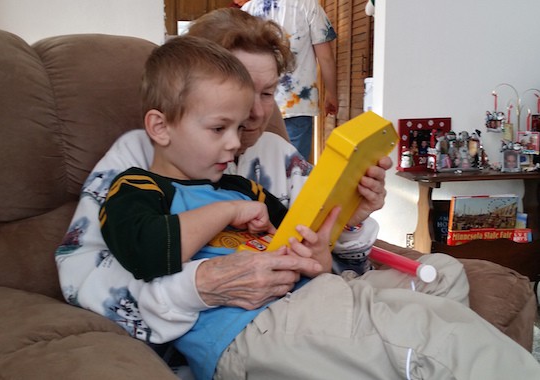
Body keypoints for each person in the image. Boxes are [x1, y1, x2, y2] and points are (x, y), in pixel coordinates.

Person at [100, 35, 540, 380]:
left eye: (238, 125)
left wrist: (339, 228)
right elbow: (146, 250)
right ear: (160, 127)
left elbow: (303, 239)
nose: (236, 141)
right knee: (441, 340)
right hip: (252, 329)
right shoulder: (137, 187)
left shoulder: (240, 186)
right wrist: (226, 214)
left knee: (443, 275)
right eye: (220, 127)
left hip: (319, 297)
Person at [55, 8, 388, 347]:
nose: (256, 114)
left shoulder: (279, 154)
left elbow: (326, 261)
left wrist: (349, 218)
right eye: (242, 88)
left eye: (267, 92)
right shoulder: (137, 158)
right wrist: (198, 286)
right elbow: (78, 272)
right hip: (234, 342)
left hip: (303, 319)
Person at [242, 0, 338, 160]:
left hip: (256, 105)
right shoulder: (309, 7)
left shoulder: (248, 10)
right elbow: (326, 57)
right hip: (297, 105)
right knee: (294, 171)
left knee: (257, 166)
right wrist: (331, 94)